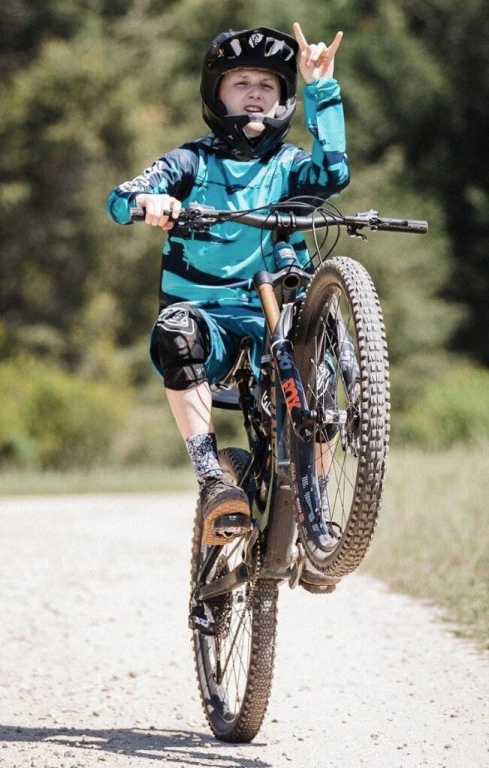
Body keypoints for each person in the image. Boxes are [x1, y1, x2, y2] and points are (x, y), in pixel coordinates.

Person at [106, 23, 348, 544]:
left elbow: (333, 175)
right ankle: (213, 479)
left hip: (274, 320)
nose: (255, 93)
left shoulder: (290, 167)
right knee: (176, 329)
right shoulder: (190, 162)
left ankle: (315, 508)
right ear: (217, 94)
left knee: (321, 376)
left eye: (267, 84)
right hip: (206, 320)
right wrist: (150, 201)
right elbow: (121, 196)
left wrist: (321, 88)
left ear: (283, 98)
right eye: (241, 82)